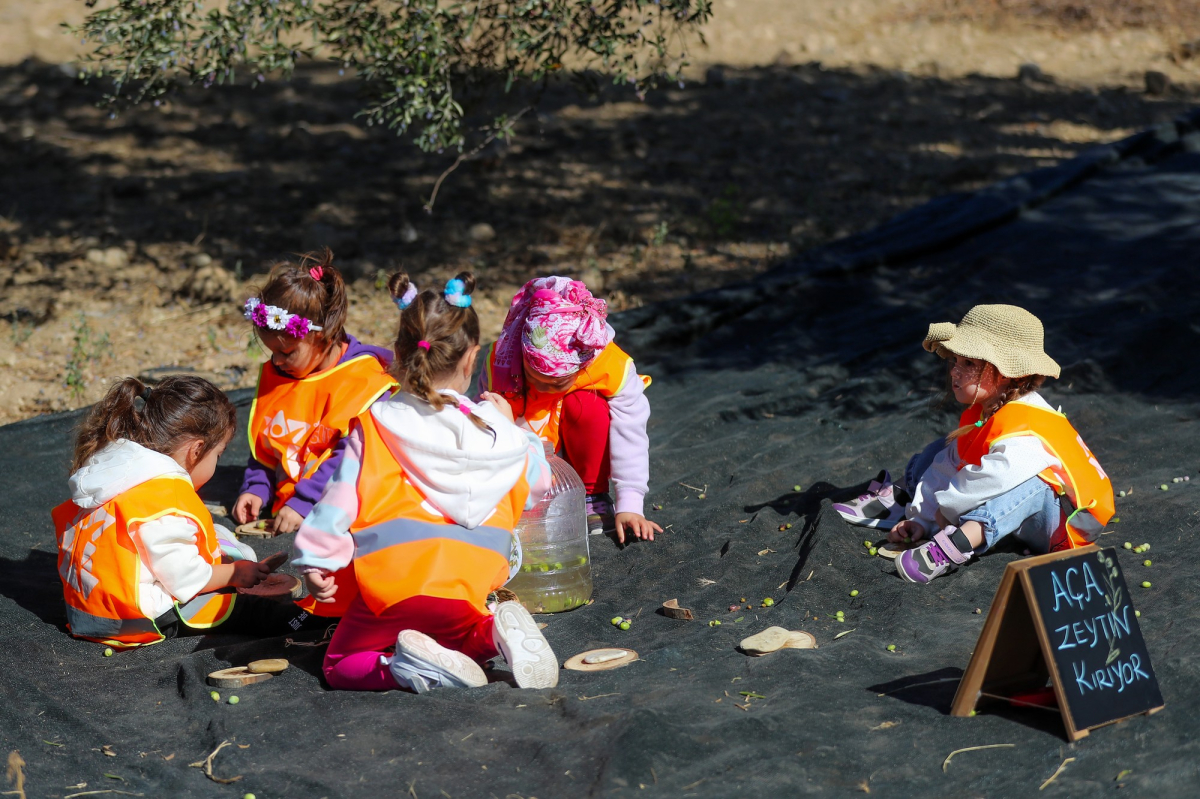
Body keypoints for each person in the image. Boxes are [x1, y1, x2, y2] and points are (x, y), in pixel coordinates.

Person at [293, 272, 559, 693]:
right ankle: (493, 635)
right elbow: (541, 484)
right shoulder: (500, 432)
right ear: (472, 359)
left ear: (398, 353)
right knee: (458, 639)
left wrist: (317, 560)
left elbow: (338, 501)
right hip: (471, 581)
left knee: (342, 663)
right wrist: (518, 431)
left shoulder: (379, 423)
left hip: (395, 582)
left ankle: (403, 667)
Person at [834, 305, 1114, 584]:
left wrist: (945, 512)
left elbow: (988, 481)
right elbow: (947, 467)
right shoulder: (985, 413)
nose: (955, 371)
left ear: (1005, 373)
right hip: (1024, 516)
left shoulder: (1026, 427)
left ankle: (955, 546)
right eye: (956, 361)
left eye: (968, 364)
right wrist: (923, 518)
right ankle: (903, 499)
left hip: (1067, 525)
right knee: (941, 449)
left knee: (1034, 486)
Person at [53, 376, 314, 649]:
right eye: (218, 455)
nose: (216, 463)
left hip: (84, 610)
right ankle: (305, 621)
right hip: (131, 617)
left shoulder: (122, 470)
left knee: (213, 536)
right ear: (197, 450)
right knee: (246, 610)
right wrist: (234, 574)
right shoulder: (166, 497)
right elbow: (184, 578)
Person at [478, 276, 660, 544]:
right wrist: (501, 422)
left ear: (584, 365)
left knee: (588, 405)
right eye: (534, 377)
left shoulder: (609, 364)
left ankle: (592, 496)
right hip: (535, 460)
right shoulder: (502, 363)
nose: (544, 387)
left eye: (558, 382)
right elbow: (480, 432)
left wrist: (630, 504)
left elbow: (631, 431)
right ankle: (530, 501)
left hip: (579, 444)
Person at [233, 248, 395, 537]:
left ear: (325, 337)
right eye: (272, 352)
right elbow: (268, 446)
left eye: (287, 352)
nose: (277, 362)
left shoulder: (363, 381)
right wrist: (257, 487)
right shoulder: (281, 372)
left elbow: (351, 460)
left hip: (343, 518)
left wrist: (304, 502)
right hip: (292, 509)